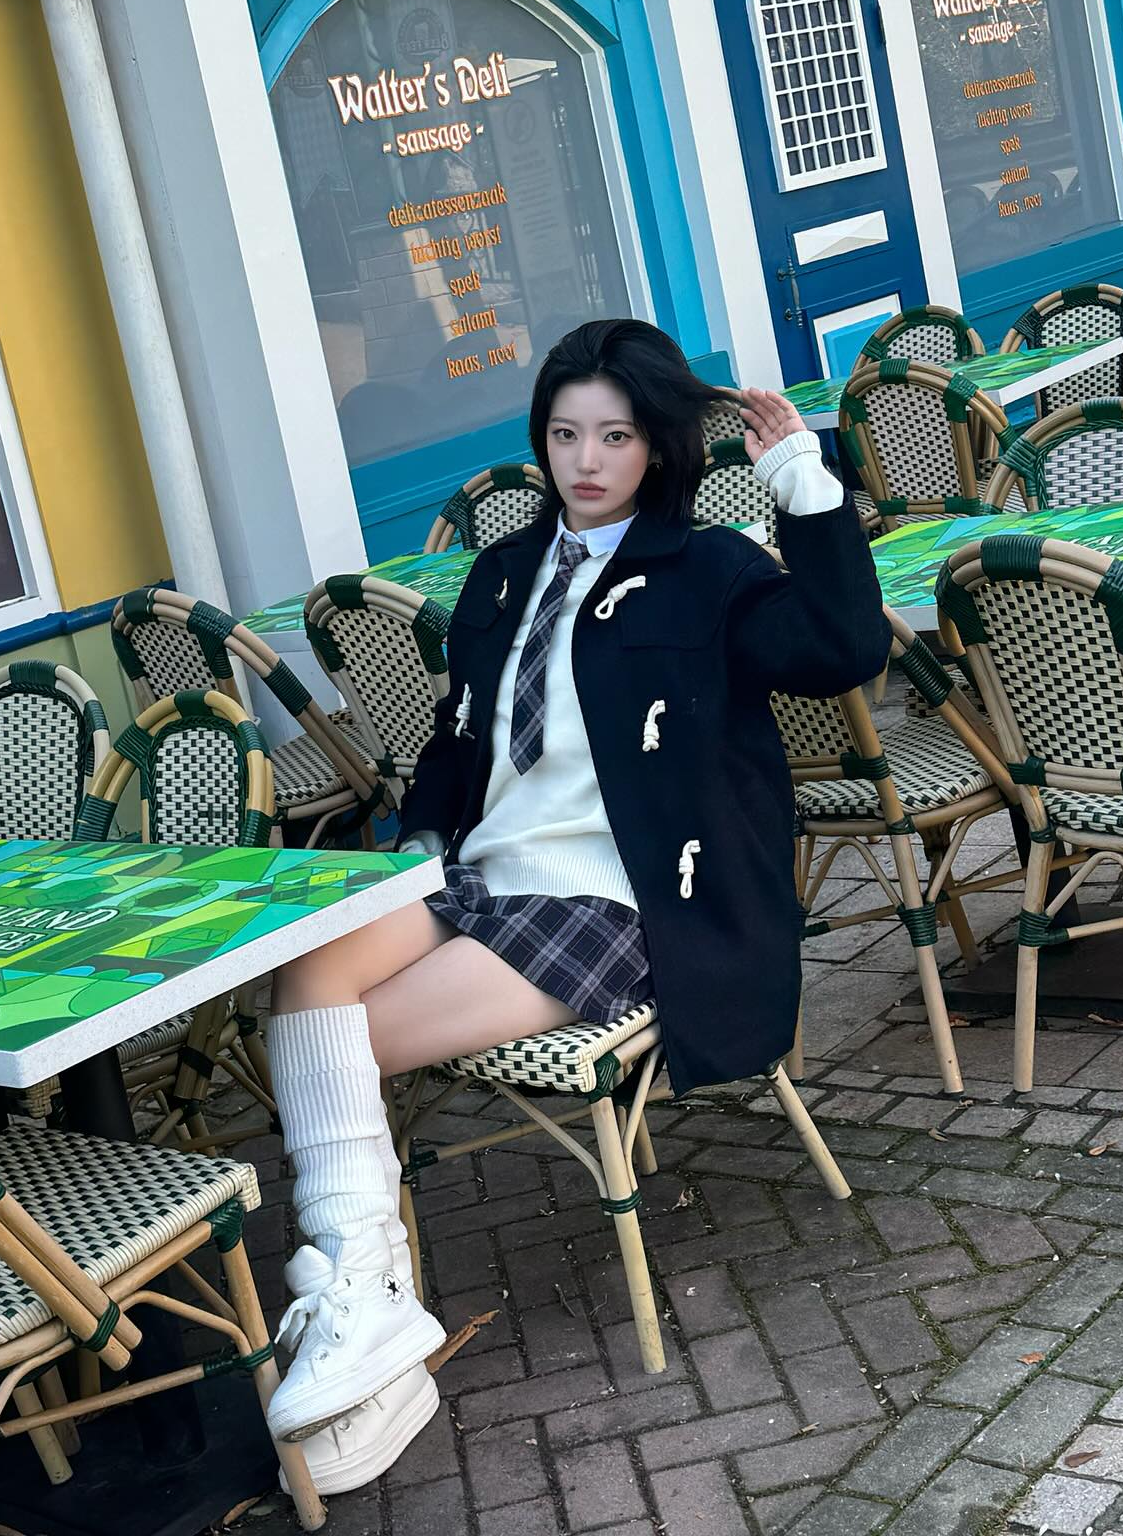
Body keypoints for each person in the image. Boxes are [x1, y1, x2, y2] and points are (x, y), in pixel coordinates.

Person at [265, 317, 890, 1491]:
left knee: (342, 1039)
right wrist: (417, 848)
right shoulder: (504, 572)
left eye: (615, 436)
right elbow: (459, 739)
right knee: (306, 978)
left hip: (620, 892)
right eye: (564, 435)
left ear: (657, 446)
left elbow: (843, 647)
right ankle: (370, 1296)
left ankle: (363, 1296)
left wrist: (805, 483)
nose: (586, 461)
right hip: (482, 870)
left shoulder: (708, 571)